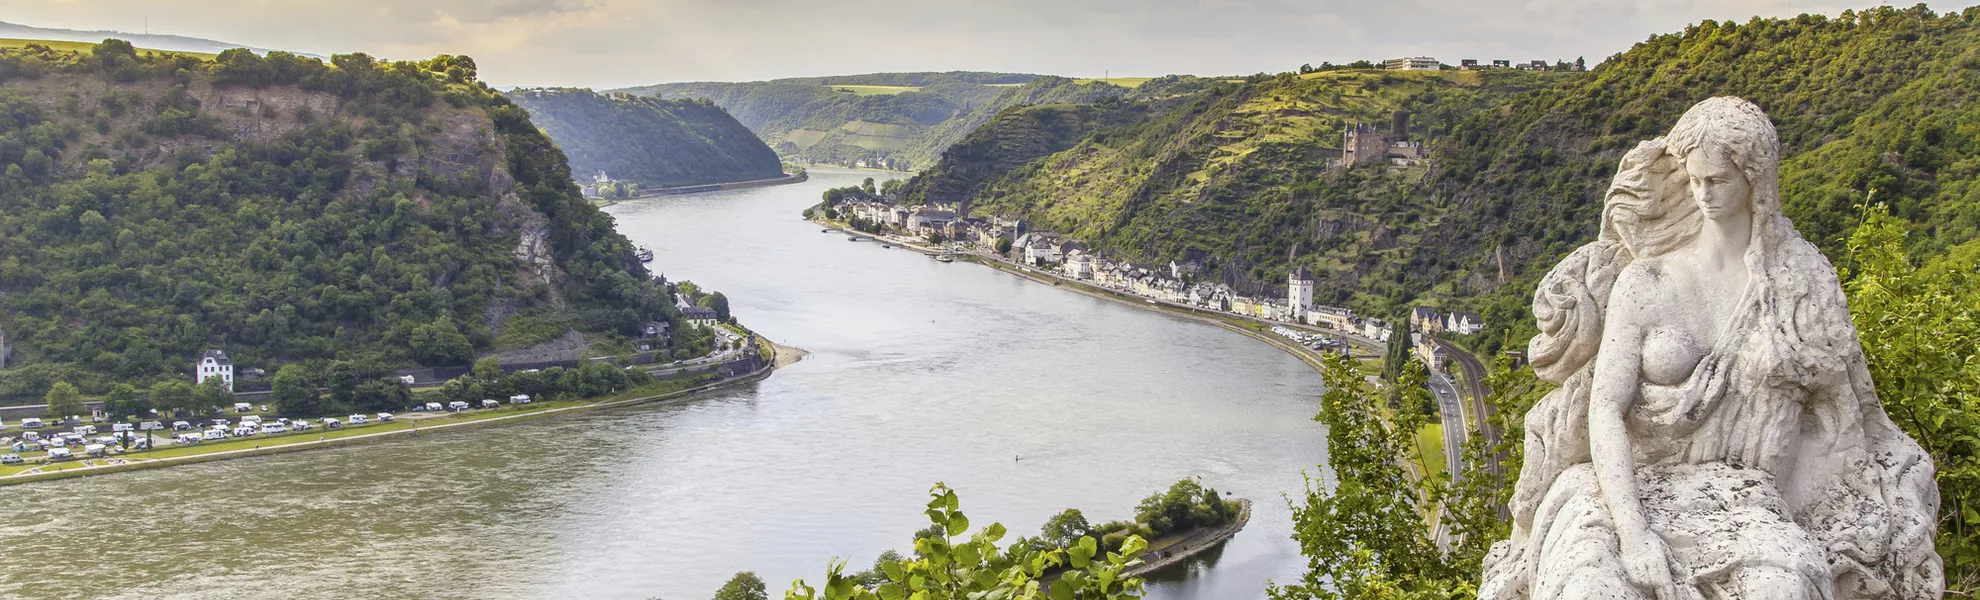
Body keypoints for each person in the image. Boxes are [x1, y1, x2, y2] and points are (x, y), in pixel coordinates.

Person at [1481, 98, 1940, 600]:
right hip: (1623, 496)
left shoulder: (1800, 286)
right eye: (1694, 179)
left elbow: (1843, 421)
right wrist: (1634, 535)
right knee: (1593, 587)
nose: (1703, 194)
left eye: (1718, 180)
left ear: (1755, 180)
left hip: (1746, 502)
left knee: (1781, 589)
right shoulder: (1646, 282)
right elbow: (1606, 409)